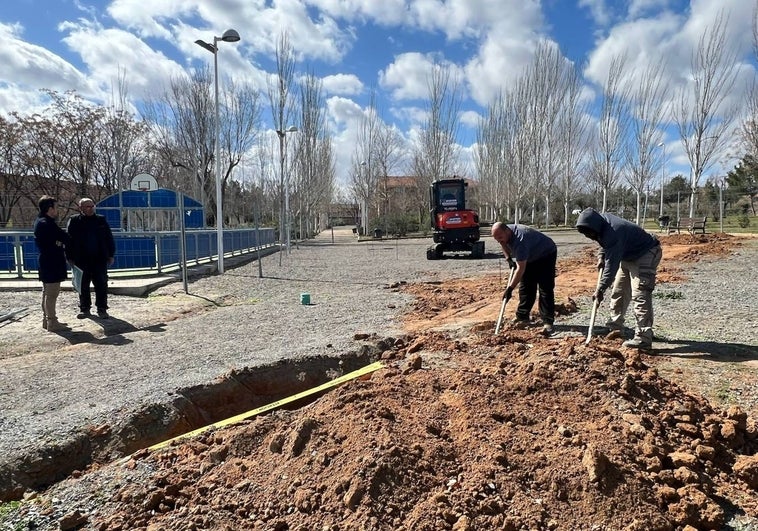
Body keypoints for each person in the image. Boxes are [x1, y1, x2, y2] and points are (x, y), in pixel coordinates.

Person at [575, 207, 663, 351]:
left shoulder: (614, 231)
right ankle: (615, 328)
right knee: (619, 291)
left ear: (595, 227)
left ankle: (643, 338)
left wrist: (601, 288)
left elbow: (611, 267)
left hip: (646, 253)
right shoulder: (600, 223)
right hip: (628, 254)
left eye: (589, 234)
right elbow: (602, 241)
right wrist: (601, 256)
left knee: (640, 295)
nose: (589, 237)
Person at [491, 221, 557, 335]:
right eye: (497, 239)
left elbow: (520, 269)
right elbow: (503, 243)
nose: (499, 240)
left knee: (545, 288)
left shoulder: (520, 241)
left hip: (546, 254)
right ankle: (522, 316)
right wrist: (508, 259)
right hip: (530, 255)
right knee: (526, 286)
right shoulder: (503, 233)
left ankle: (548, 321)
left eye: (500, 237)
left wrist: (510, 289)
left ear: (507, 231)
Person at [66, 198, 115, 319]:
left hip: (99, 259)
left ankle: (102, 308)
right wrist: (69, 257)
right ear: (81, 208)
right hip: (81, 259)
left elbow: (109, 238)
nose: (90, 208)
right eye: (87, 206)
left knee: (101, 284)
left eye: (92, 206)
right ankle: (85, 308)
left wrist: (110, 254)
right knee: (82, 285)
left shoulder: (100, 220)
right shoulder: (74, 221)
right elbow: (68, 240)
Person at [33, 196, 70, 332]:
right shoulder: (46, 223)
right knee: (52, 293)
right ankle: (52, 322)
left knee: (47, 292)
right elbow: (64, 237)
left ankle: (47, 319)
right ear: (50, 209)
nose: (57, 210)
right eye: (56, 207)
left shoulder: (41, 221)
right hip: (51, 262)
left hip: (47, 261)